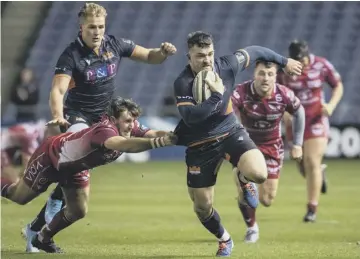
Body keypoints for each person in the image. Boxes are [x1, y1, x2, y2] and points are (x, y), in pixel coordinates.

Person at [23, 2, 177, 253]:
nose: (97, 32)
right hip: (77, 117)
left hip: (106, 118)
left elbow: (150, 56)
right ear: (81, 27)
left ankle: (40, 223)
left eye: (101, 27)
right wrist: (57, 116)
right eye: (92, 27)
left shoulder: (114, 44)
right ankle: (42, 222)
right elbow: (58, 89)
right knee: (77, 165)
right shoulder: (71, 55)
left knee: (74, 174)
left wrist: (163, 51)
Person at [173, 31, 302, 257]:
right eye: (200, 55)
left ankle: (243, 180)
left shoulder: (226, 65)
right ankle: (225, 239)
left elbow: (256, 51)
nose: (207, 60)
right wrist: (216, 95)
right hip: (200, 144)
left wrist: (284, 62)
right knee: (202, 206)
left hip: (230, 132)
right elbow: (191, 117)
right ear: (189, 57)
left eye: (210, 53)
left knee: (260, 174)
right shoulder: (183, 83)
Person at [1, 97, 177, 253]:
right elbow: (125, 145)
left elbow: (153, 132)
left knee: (78, 211)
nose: (132, 125)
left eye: (134, 120)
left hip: (75, 168)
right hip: (52, 158)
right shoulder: (105, 131)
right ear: (113, 119)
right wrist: (160, 142)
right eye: (127, 121)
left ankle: (42, 238)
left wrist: (174, 135)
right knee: (19, 197)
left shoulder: (130, 126)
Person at [231, 61, 305, 243]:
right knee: (245, 190)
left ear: (276, 76)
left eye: (270, 74)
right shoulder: (241, 91)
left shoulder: (283, 94)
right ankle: (251, 227)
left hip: (272, 146)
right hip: (246, 145)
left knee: (267, 199)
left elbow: (299, 112)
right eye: (261, 73)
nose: (266, 78)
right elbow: (229, 110)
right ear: (254, 74)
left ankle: (249, 186)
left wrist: (297, 144)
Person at [277, 40, 343, 222]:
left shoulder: (321, 65)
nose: (302, 64)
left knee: (312, 160)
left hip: (315, 119)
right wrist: (283, 112)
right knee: (302, 165)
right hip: (295, 123)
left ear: (308, 55)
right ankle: (319, 174)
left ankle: (312, 209)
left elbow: (338, 85)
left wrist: (331, 105)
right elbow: (274, 92)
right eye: (297, 60)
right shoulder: (283, 70)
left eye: (303, 60)